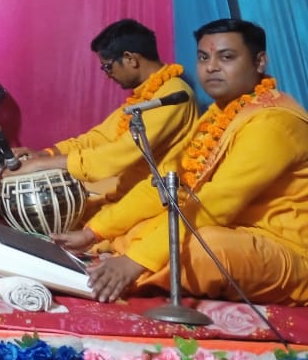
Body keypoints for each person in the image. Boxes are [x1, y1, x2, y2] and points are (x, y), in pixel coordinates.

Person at [55, 18, 308, 305]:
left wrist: (135, 261)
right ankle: (113, 268)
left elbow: (216, 203)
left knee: (203, 248)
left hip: (284, 249)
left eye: (226, 57)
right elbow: (163, 183)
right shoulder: (219, 113)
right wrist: (93, 232)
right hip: (229, 228)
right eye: (203, 57)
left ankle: (103, 278)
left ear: (259, 62)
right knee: (146, 230)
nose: (211, 67)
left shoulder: (274, 123)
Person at [11, 19, 198, 206]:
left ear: (130, 59)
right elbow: (100, 137)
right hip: (130, 189)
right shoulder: (145, 94)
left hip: (158, 198)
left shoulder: (173, 96)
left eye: (107, 67)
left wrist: (42, 165)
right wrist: (47, 154)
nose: (107, 75)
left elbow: (121, 151)